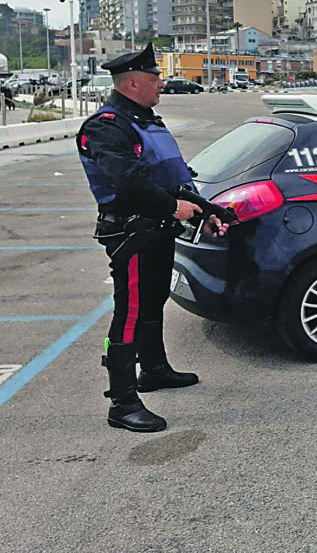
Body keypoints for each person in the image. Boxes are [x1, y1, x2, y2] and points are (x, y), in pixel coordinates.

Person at [76, 44, 229, 432]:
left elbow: (173, 178)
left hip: (157, 228)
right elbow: (127, 181)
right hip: (132, 232)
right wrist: (171, 208)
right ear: (131, 83)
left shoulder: (146, 121)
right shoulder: (106, 126)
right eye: (153, 78)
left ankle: (155, 370)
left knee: (152, 302)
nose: (161, 83)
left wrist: (205, 212)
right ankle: (123, 403)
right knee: (128, 313)